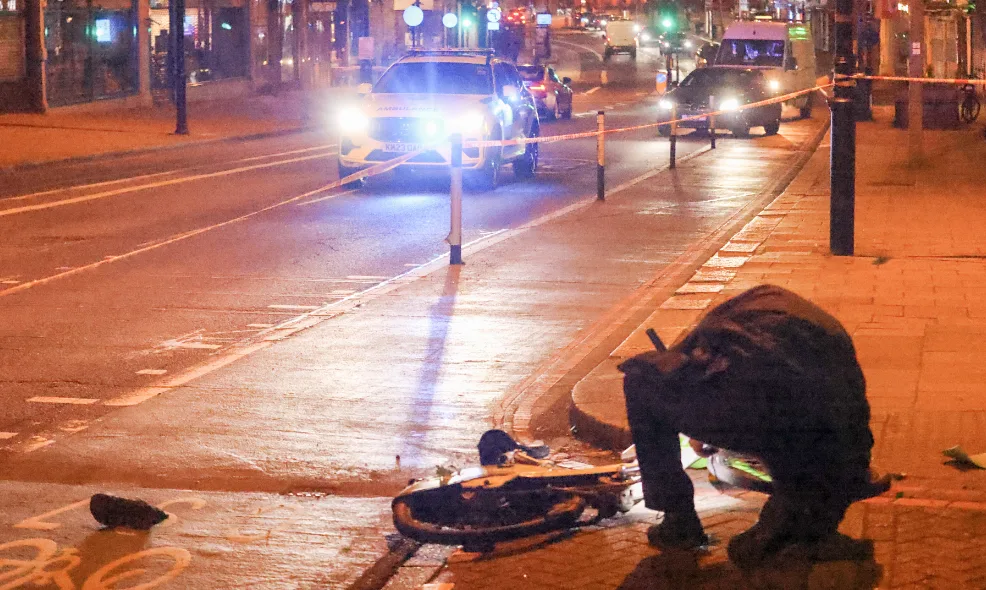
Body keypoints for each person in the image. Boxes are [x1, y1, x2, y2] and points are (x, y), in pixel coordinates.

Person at [620, 285, 886, 567]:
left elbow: (681, 372)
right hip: (832, 433)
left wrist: (700, 423)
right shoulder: (764, 320)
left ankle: (678, 519)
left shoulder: (726, 336)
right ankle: (793, 524)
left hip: (791, 426)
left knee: (639, 381)